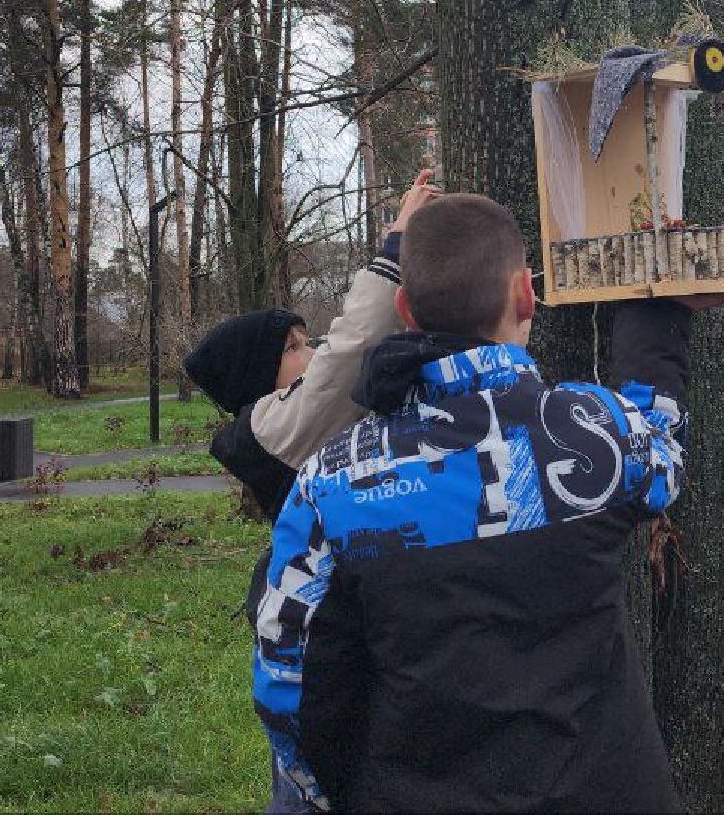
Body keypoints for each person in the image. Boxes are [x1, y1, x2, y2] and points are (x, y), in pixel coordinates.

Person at [255, 193, 692, 813]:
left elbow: (287, 676)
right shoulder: (599, 432)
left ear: (405, 309)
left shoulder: (334, 481)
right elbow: (664, 450)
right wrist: (656, 307)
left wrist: (326, 787)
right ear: (525, 296)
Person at [183, 170, 439, 811]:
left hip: (343, 621)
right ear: (258, 380)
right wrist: (393, 247)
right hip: (320, 634)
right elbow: (347, 357)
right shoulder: (272, 427)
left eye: (306, 339)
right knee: (313, 785)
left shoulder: (291, 421)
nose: (313, 350)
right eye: (295, 348)